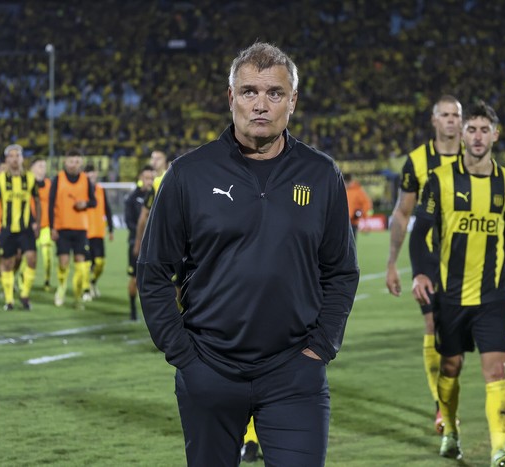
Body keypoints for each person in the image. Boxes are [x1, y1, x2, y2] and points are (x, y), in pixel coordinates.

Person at [137, 42, 360, 467]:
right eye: (249, 92)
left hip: (294, 372)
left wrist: (321, 349)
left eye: (274, 93)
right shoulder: (188, 174)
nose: (261, 104)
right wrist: (185, 357)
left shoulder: (321, 173)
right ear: (231, 98)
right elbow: (153, 272)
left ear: (292, 101)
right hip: (209, 369)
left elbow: (341, 272)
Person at [410, 101, 505, 467]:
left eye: (484, 129)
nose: (476, 136)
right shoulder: (440, 181)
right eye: (471, 129)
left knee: (497, 371)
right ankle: (452, 432)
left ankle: (499, 450)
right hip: (450, 295)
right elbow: (419, 233)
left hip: (493, 296)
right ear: (463, 134)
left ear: (495, 135)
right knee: (451, 368)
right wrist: (421, 272)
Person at [385, 95, 463, 433]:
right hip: (430, 260)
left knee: (457, 343)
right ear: (433, 120)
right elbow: (402, 214)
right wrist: (392, 263)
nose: (450, 121)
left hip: (467, 259)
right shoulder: (417, 161)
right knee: (433, 326)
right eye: (444, 115)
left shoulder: (474, 154)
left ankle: (446, 398)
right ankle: (441, 408)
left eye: (455, 115)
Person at [0, 144, 40, 311]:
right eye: (10, 156)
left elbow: (37, 200)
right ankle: (9, 299)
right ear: (6, 160)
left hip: (26, 228)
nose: (14, 159)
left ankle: (25, 295)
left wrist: (38, 223)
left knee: (32, 259)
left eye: (17, 156)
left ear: (22, 159)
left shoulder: (30, 178)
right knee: (8, 263)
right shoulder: (0, 180)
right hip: (7, 228)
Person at [49, 149, 96, 309]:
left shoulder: (85, 179)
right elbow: (50, 204)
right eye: (71, 161)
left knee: (80, 264)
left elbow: (94, 201)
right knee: (63, 263)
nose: (74, 164)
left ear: (81, 163)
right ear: (65, 162)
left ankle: (76, 297)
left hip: (80, 228)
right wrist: (52, 227)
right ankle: (61, 289)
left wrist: (86, 204)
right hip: (62, 227)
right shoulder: (58, 178)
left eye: (77, 161)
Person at [124, 165, 154, 321]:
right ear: (140, 179)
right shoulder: (132, 198)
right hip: (135, 242)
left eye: (151, 178)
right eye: (146, 178)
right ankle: (132, 308)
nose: (149, 181)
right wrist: (140, 236)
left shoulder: (158, 194)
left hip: (155, 244)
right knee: (135, 278)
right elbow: (129, 222)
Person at [19, 157, 53, 291]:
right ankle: (22, 281)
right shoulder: (25, 183)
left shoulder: (49, 184)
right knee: (26, 257)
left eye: (44, 166)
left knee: (47, 256)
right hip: (29, 226)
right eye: (39, 166)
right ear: (31, 168)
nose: (42, 169)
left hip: (45, 226)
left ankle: (47, 281)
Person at [84, 164, 114, 299]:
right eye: (88, 172)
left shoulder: (100, 190)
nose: (91, 175)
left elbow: (107, 209)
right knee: (86, 264)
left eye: (92, 172)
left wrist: (111, 229)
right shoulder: (82, 190)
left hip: (98, 232)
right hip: (85, 232)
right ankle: (86, 290)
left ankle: (93, 282)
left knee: (100, 263)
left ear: (96, 174)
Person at [132, 149, 169, 258]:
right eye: (153, 158)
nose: (154, 161)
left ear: (165, 161)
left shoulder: (169, 179)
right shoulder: (141, 185)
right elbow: (143, 213)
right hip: (151, 235)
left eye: (158, 158)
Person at [344, 173, 373, 240]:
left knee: (350, 244)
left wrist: (366, 219)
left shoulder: (358, 191)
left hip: (352, 222)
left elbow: (367, 205)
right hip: (342, 221)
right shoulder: (341, 190)